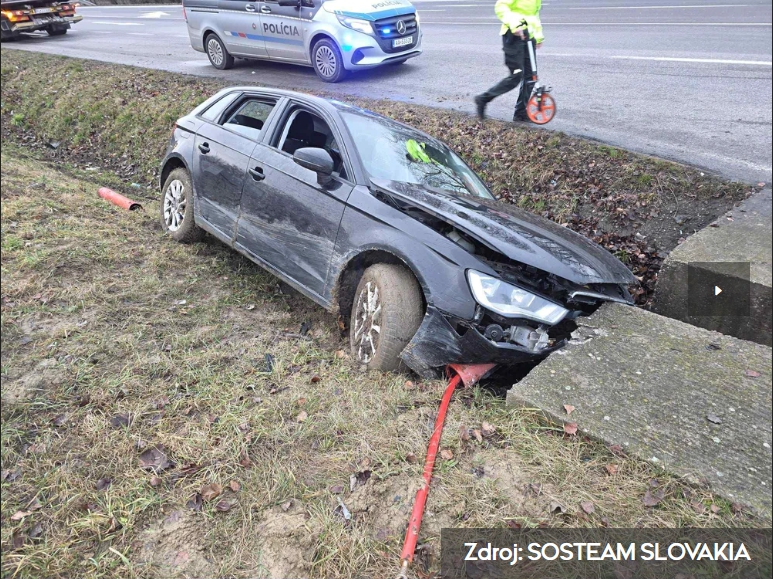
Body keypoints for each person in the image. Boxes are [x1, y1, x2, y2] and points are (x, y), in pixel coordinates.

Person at [474, 0, 544, 122]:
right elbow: (501, 6)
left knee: (531, 77)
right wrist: (514, 25)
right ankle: (483, 99)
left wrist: (538, 37)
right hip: (513, 35)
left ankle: (520, 113)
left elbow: (534, 16)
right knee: (516, 75)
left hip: (528, 36)